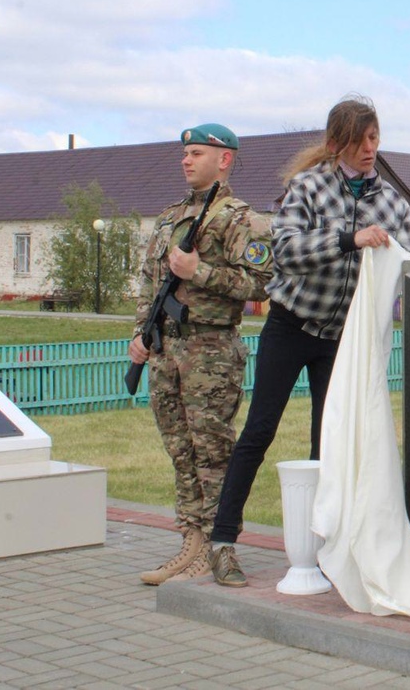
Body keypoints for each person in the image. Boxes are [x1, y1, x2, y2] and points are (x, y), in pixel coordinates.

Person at [207, 95, 410, 587]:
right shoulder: (307, 187)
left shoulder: (390, 200)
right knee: (259, 431)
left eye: (375, 138)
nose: (371, 148)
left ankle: (325, 551)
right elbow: (284, 251)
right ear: (336, 144)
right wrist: (349, 239)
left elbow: (406, 252)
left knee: (331, 444)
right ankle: (223, 542)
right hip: (290, 326)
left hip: (340, 339)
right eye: (361, 140)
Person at [131, 123, 273, 585]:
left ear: (224, 159)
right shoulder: (171, 217)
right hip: (166, 349)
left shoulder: (241, 220)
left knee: (212, 451)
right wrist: (141, 335)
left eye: (196, 153)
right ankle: (190, 539)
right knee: (181, 450)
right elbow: (150, 285)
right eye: (185, 153)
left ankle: (217, 544)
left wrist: (202, 271)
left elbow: (261, 284)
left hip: (210, 351)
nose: (186, 160)